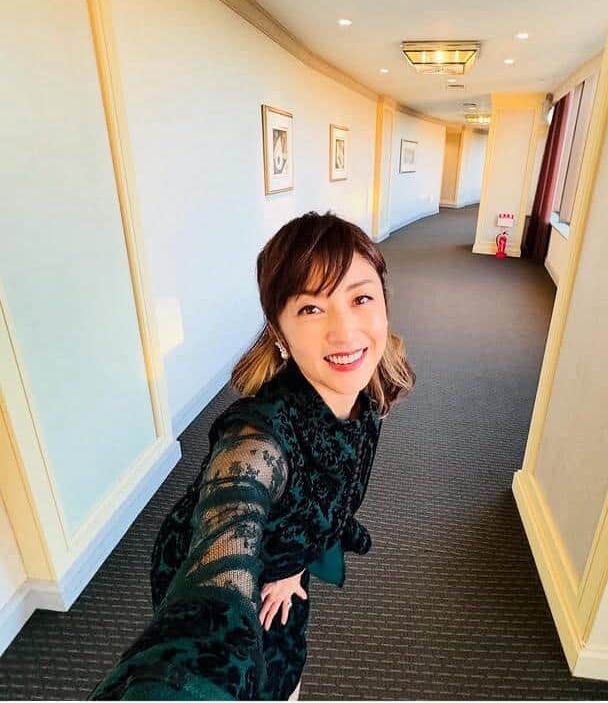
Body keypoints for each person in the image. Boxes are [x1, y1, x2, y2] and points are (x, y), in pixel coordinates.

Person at [89, 211, 416, 700]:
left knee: (285, 656)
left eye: (360, 298)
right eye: (311, 308)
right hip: (218, 563)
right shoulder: (260, 436)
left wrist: (295, 564)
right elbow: (232, 519)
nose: (345, 331)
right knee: (260, 669)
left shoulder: (368, 390)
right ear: (279, 332)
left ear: (384, 303)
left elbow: (334, 490)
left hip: (282, 561)